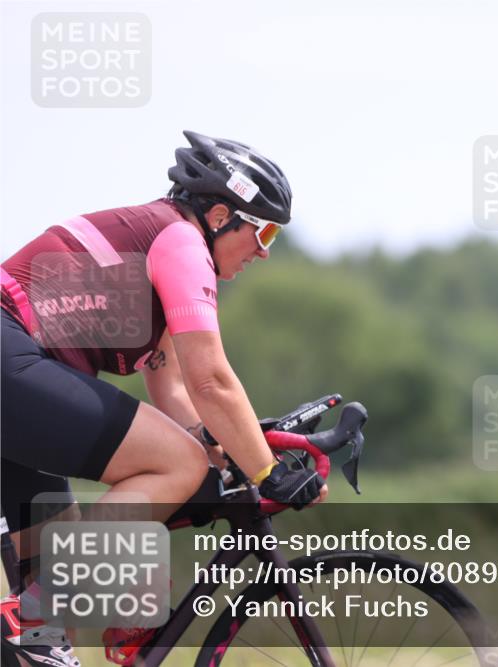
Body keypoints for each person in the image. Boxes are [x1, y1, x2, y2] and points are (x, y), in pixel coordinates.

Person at [0, 131, 327, 667]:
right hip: (12, 360)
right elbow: (213, 381)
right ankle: (35, 610)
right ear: (221, 216)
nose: (265, 252)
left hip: (17, 377)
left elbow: (175, 387)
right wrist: (268, 472)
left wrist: (226, 446)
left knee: (43, 648)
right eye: (263, 231)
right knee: (175, 465)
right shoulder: (181, 244)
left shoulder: (159, 245)